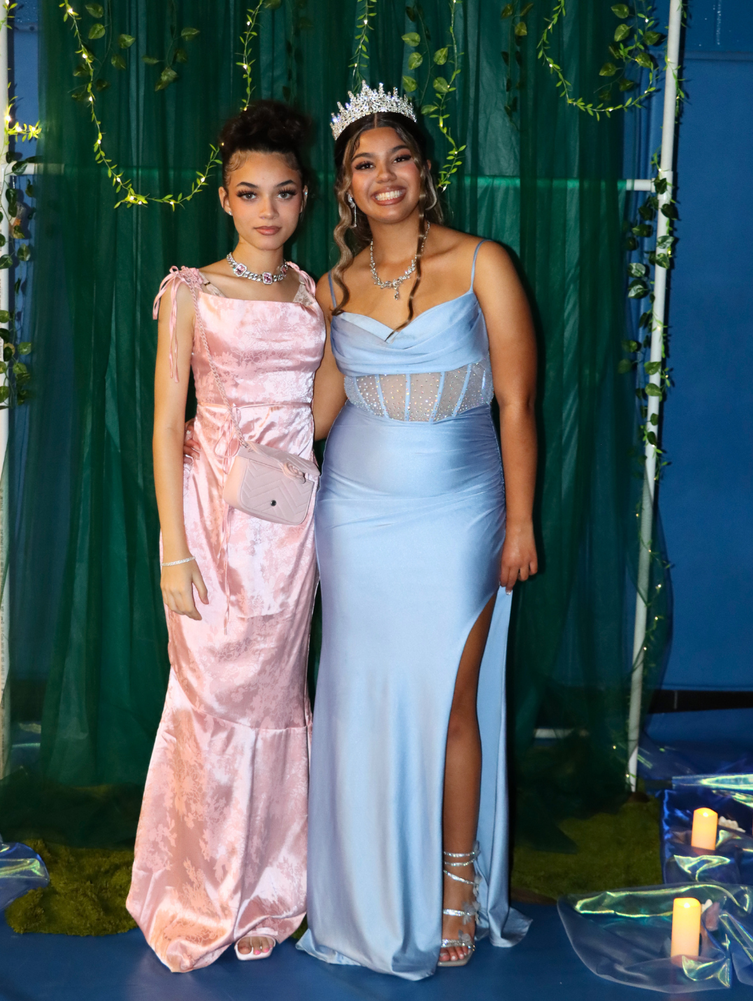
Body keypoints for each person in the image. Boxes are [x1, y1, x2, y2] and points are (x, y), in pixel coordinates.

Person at [297, 83, 538, 978]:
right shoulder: (333, 287)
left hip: (461, 510)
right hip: (352, 516)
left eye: (398, 157)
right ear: (347, 188)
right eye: (365, 165)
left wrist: (519, 521)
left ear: (424, 171)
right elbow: (314, 416)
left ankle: (454, 885)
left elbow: (516, 404)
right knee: (359, 704)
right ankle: (364, 891)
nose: (384, 176)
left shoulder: (484, 263)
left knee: (451, 701)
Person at [126, 100, 324, 971]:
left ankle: (268, 894)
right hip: (209, 520)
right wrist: (173, 544)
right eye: (250, 194)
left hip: (290, 528)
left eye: (283, 193)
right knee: (208, 701)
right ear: (224, 199)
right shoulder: (190, 291)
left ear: (305, 198)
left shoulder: (315, 292)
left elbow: (322, 406)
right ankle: (198, 892)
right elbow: (167, 423)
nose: (267, 211)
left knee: (277, 707)